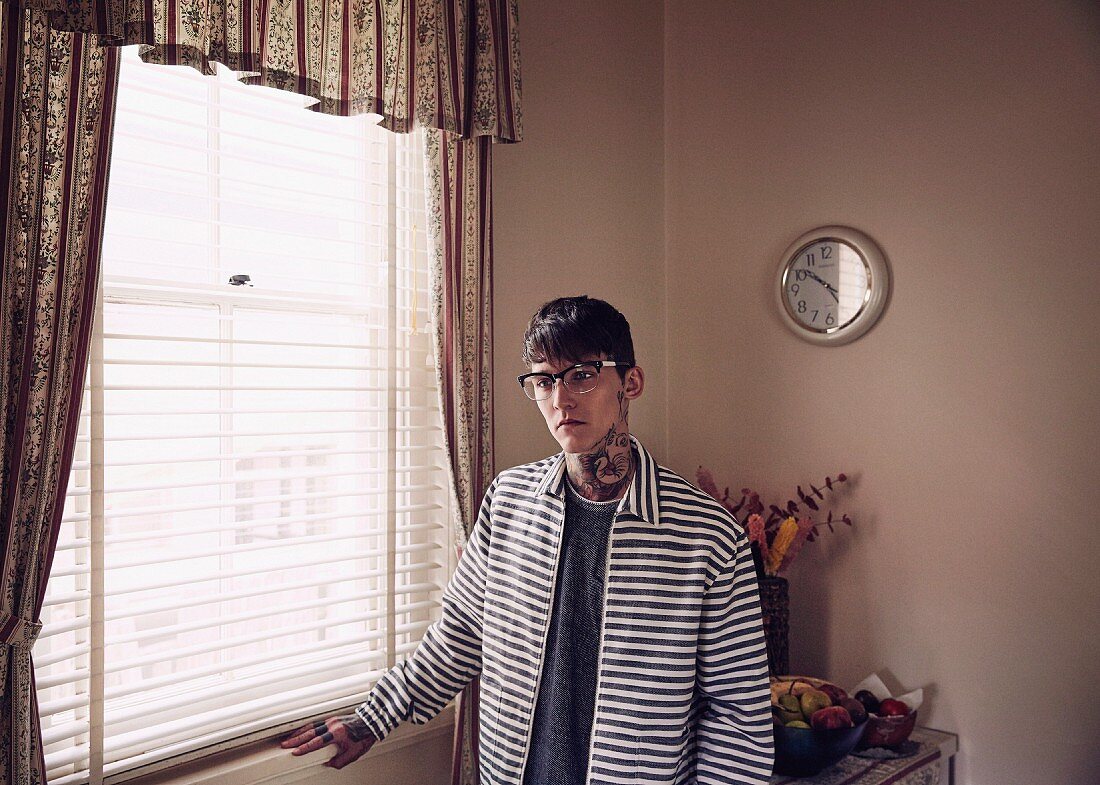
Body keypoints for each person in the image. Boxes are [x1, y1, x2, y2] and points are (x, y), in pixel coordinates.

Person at [282, 296, 774, 783]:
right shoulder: (510, 501)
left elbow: (737, 720)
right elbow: (459, 635)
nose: (561, 399)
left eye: (582, 374)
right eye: (544, 381)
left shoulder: (707, 535)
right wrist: (373, 718)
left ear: (631, 381)